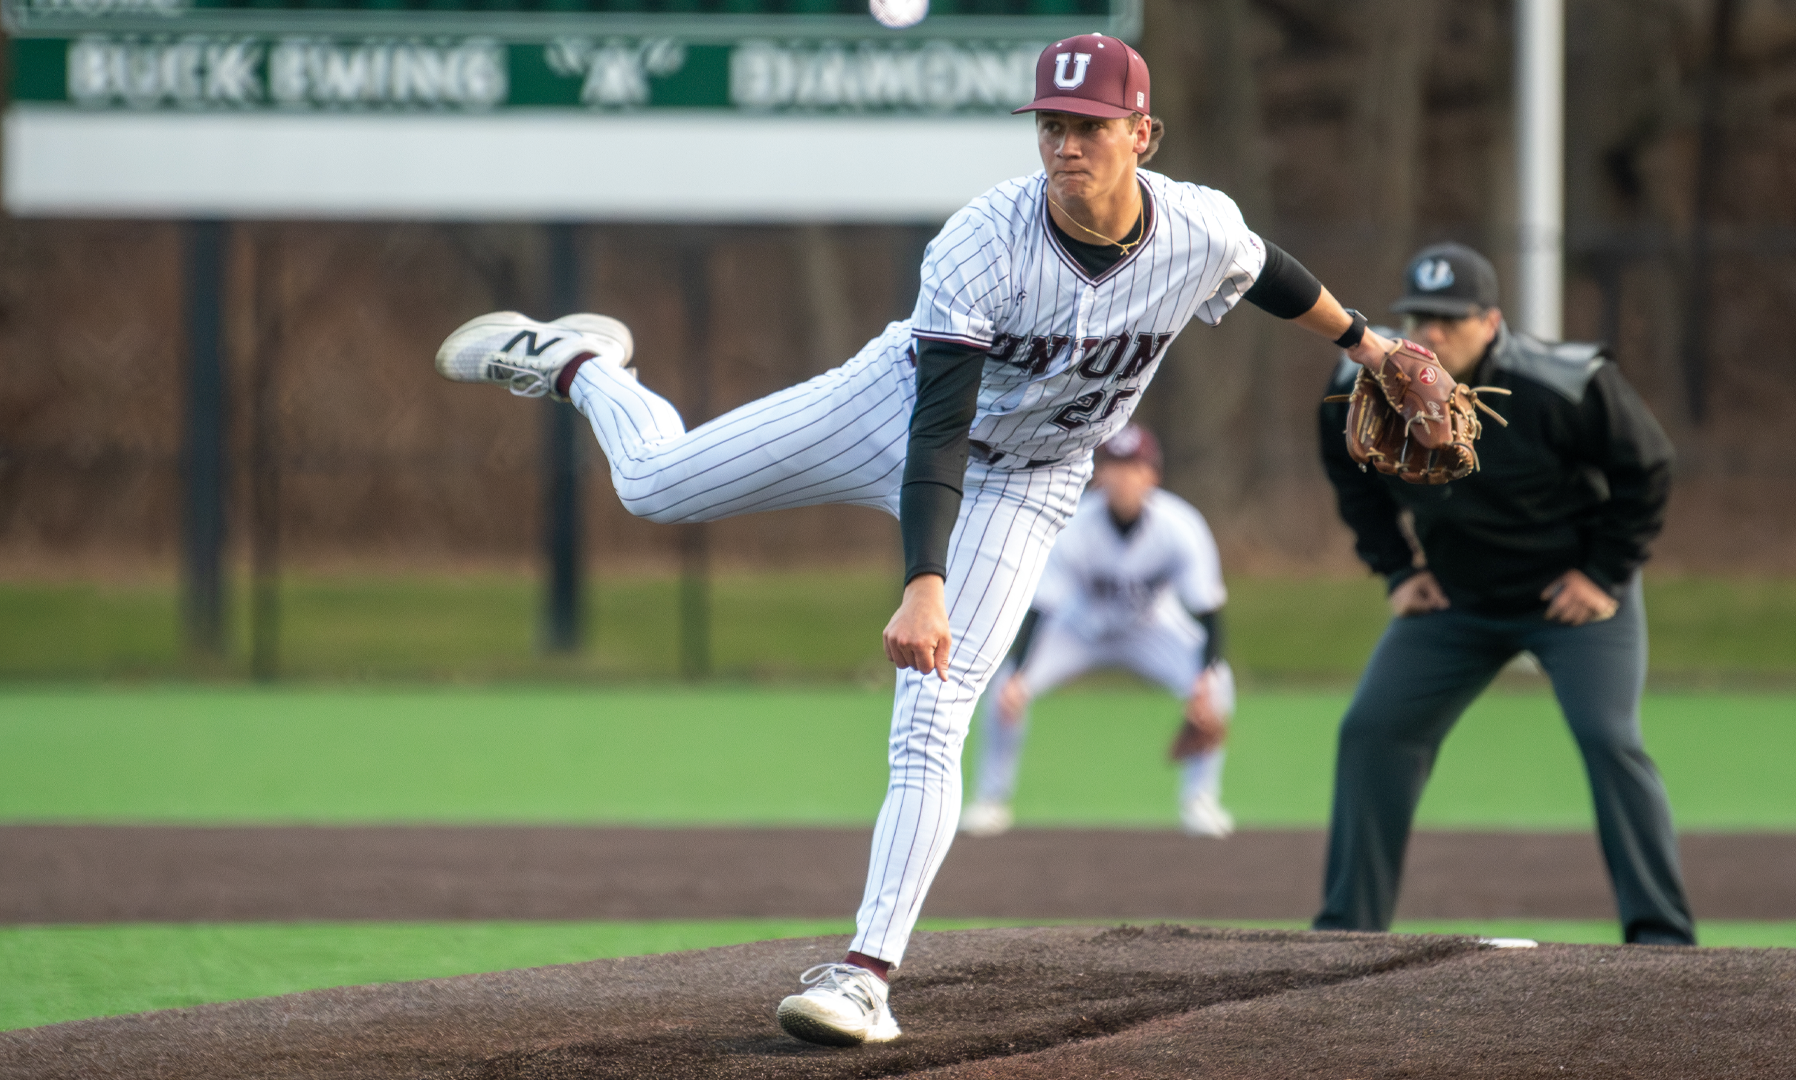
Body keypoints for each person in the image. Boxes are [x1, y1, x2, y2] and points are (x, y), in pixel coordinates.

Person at [435, 33, 1439, 1046]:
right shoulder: (981, 239)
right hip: (897, 410)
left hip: (1032, 478)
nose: (1064, 143)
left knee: (934, 711)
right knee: (653, 484)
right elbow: (939, 427)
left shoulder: (1199, 227)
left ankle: (865, 974)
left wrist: (1368, 342)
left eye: (1088, 125)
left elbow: (1268, 272)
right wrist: (925, 580)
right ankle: (580, 366)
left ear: (1144, 133)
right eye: (1051, 123)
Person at [1312, 241, 1695, 946]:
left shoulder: (1564, 382)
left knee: (1609, 738)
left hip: (1572, 602)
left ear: (1491, 322)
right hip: (1457, 602)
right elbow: (1348, 479)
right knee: (1372, 730)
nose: (1430, 333)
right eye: (1419, 317)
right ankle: (1346, 933)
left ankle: (1661, 938)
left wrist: (1604, 573)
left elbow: (1648, 468)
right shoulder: (1364, 383)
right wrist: (1396, 568)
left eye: (1450, 319)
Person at [958, 423, 1237, 840]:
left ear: (1152, 475)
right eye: (1114, 466)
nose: (1123, 477)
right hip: (1079, 628)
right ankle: (991, 799)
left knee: (1218, 686)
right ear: (1099, 474)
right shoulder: (1074, 523)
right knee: (1004, 688)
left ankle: (1201, 800)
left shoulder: (1181, 526)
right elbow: (1041, 606)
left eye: (1133, 466)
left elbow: (1209, 610)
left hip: (1150, 628)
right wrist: (1018, 671)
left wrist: (1203, 678)